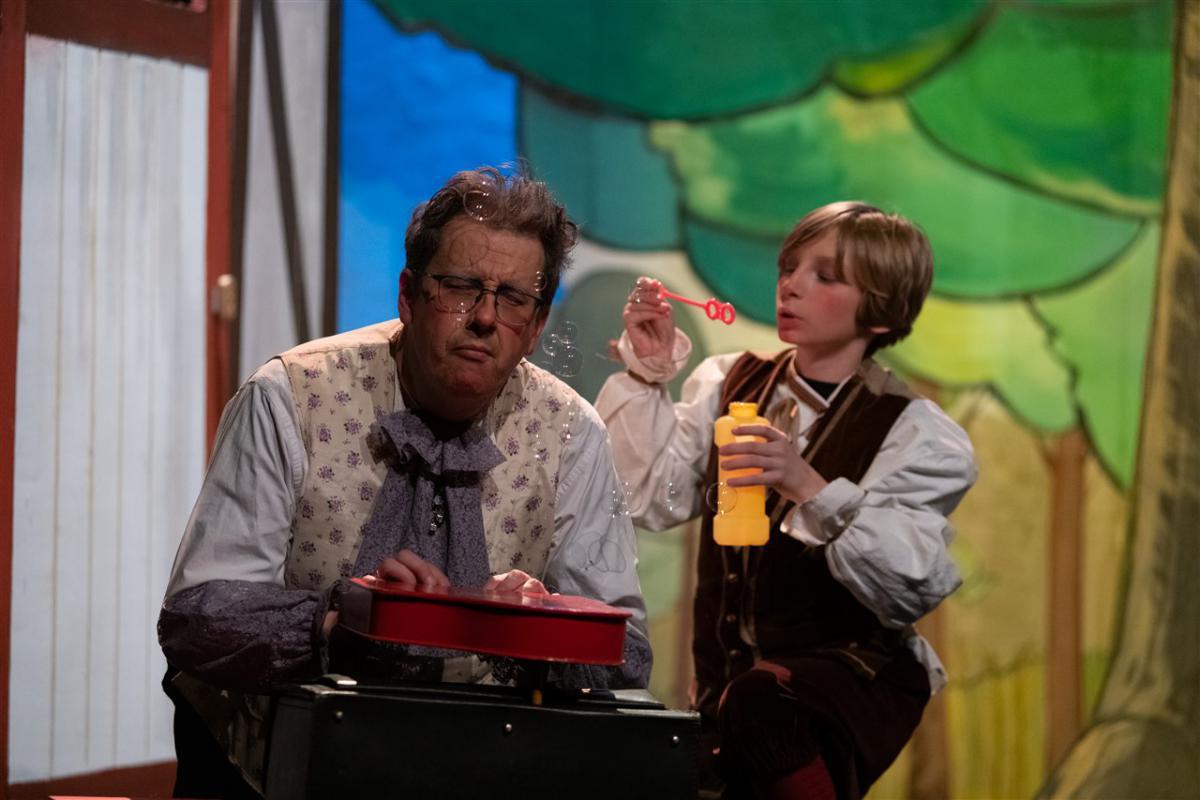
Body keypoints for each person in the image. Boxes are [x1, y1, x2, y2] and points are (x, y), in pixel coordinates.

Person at [158, 167, 651, 798]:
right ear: (409, 295)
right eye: (461, 288)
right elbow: (199, 617)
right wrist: (340, 621)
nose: (485, 317)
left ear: (535, 327)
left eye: (512, 298)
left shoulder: (571, 434)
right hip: (265, 772)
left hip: (477, 773)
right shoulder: (290, 396)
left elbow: (628, 655)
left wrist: (541, 628)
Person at [595, 202, 976, 800]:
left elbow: (909, 586)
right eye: (789, 267)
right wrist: (646, 375)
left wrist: (807, 486)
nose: (791, 285)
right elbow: (648, 499)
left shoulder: (911, 431)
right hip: (731, 694)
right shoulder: (728, 383)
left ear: (881, 311)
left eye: (825, 276)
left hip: (852, 682)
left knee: (761, 701)